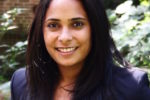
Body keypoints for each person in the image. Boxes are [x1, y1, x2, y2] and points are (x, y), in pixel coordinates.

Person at [10, 0, 150, 100]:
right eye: (53, 25)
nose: (64, 37)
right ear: (41, 31)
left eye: (77, 24)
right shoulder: (21, 83)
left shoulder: (131, 88)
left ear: (95, 28)